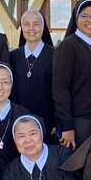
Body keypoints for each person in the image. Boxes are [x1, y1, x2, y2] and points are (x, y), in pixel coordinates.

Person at [52, 0, 91, 150]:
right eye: (85, 15)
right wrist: (67, 125)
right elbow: (60, 89)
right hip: (78, 121)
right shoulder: (67, 47)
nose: (90, 20)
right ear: (76, 18)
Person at [9, 10, 56, 140]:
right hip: (18, 122)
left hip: (48, 123)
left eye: (36, 24)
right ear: (22, 28)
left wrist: (58, 122)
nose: (31, 28)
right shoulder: (12, 57)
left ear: (43, 27)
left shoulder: (55, 55)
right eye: (26, 24)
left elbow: (61, 91)